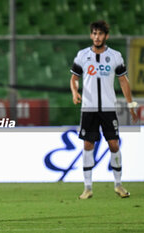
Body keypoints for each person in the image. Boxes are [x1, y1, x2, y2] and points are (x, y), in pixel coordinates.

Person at [70, 20, 138, 199]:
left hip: (108, 108)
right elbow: (74, 78)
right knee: (87, 144)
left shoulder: (115, 56)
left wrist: (131, 104)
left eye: (100, 34)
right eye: (94, 33)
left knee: (114, 144)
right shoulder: (82, 55)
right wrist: (75, 92)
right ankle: (87, 187)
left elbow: (123, 80)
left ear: (106, 36)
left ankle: (118, 184)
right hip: (89, 108)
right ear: (91, 35)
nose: (97, 37)